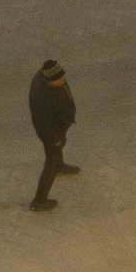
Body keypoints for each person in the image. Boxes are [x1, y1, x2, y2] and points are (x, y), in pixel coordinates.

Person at [28, 61, 80, 211]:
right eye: (60, 80)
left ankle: (59, 165)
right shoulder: (42, 99)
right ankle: (39, 201)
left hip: (58, 125)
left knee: (61, 143)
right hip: (51, 132)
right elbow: (42, 124)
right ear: (50, 80)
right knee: (50, 162)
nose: (63, 81)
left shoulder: (48, 75)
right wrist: (53, 139)